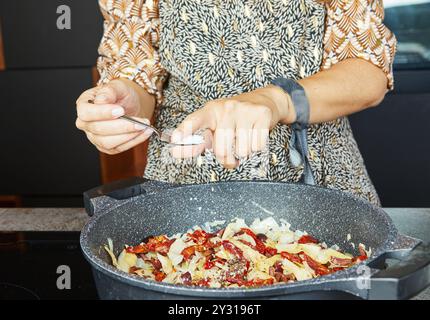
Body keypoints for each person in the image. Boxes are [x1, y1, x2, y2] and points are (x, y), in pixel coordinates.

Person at [76, 0, 397, 206]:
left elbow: (368, 73)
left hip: (320, 177)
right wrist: (126, 100)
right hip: (182, 183)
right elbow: (136, 66)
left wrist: (275, 100)